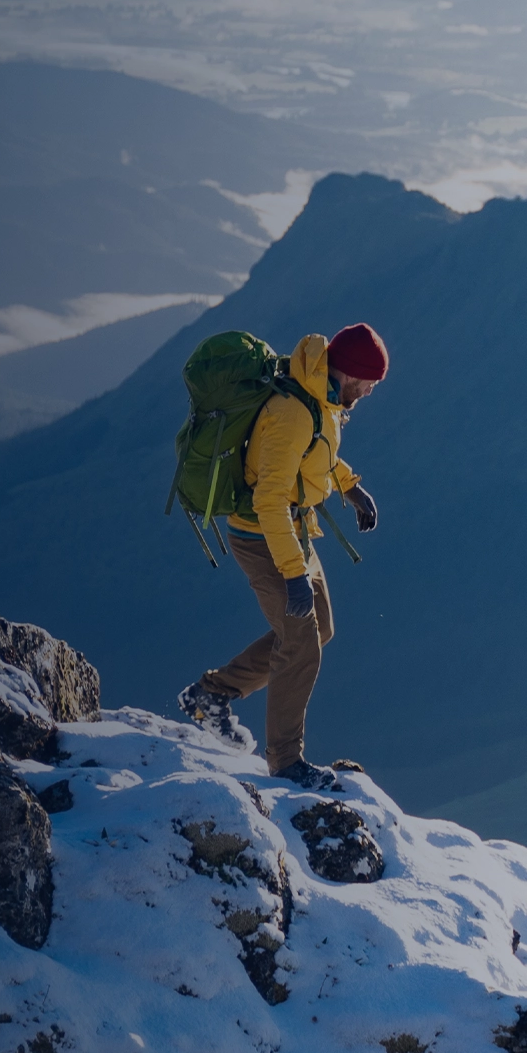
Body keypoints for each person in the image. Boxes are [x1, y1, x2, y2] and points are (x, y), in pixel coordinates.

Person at [179, 322, 386, 787]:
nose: (372, 390)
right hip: (263, 538)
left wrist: (351, 489)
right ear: (349, 372)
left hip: (294, 531)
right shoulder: (294, 411)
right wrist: (293, 575)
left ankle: (211, 694)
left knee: (321, 628)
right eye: (370, 381)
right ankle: (286, 763)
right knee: (301, 642)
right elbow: (268, 498)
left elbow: (320, 456)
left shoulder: (324, 401)